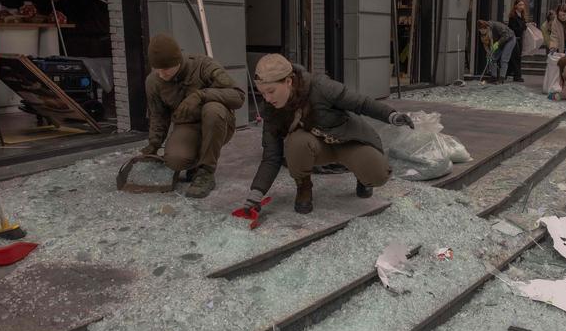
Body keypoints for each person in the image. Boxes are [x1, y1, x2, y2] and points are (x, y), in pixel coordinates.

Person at [244, 54, 414, 215]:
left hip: (346, 140)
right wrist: (256, 192)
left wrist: (391, 115)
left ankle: (361, 176)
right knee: (296, 142)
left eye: (271, 91)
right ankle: (303, 186)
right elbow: (271, 155)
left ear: (288, 81)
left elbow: (361, 103)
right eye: (263, 93)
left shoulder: (321, 87)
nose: (266, 98)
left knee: (378, 175)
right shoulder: (271, 109)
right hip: (316, 147)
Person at [142, 33, 245, 198]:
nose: (161, 74)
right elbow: (158, 115)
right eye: (157, 69)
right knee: (175, 160)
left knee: (213, 109)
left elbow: (238, 96)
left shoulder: (203, 65)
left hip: (219, 122)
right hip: (187, 126)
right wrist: (154, 144)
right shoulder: (154, 82)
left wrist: (201, 95)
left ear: (178, 61)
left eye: (166, 69)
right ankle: (195, 163)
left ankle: (206, 172)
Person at [507, 0, 527, 82]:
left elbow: (523, 26)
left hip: (519, 39)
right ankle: (517, 76)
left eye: (523, 4)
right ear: (516, 6)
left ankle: (509, 73)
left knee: (516, 57)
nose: (522, 6)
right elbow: (514, 28)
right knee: (516, 57)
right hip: (514, 39)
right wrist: (523, 26)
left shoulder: (521, 16)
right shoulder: (513, 16)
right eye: (520, 4)